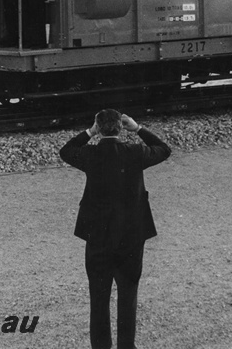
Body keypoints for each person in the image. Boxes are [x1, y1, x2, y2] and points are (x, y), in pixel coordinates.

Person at [59, 110, 171, 349]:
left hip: (98, 236)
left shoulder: (90, 154)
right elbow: (164, 149)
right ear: (121, 128)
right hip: (131, 236)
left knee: (98, 297)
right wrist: (138, 128)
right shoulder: (136, 153)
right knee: (128, 294)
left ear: (100, 128)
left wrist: (89, 132)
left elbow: (65, 151)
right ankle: (126, 346)